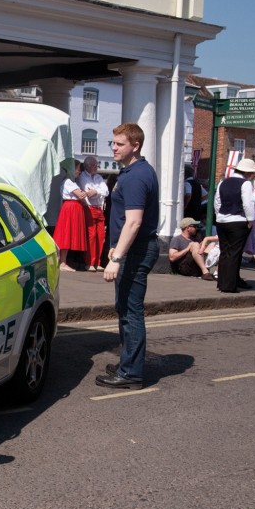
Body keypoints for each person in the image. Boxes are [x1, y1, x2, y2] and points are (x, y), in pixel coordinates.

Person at [96, 122, 159, 390]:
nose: (114, 148)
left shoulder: (134, 176)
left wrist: (117, 257)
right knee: (125, 310)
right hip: (132, 249)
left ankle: (131, 373)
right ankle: (127, 364)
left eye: (120, 144)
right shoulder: (136, 171)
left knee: (131, 313)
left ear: (136, 145)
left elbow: (134, 222)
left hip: (135, 252)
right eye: (113, 143)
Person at [213, 157, 255, 293]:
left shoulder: (223, 182)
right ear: (248, 173)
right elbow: (248, 204)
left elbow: (217, 202)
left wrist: (219, 216)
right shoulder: (245, 184)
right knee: (234, 254)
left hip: (221, 221)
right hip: (238, 221)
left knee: (224, 252)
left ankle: (222, 283)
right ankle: (229, 286)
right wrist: (250, 220)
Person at [52, 159, 89, 271]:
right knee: (66, 234)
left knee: (67, 234)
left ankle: (63, 261)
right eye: (77, 169)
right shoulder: (68, 182)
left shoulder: (70, 182)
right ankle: (62, 262)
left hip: (71, 208)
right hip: (70, 209)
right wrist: (90, 192)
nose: (79, 172)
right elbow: (81, 195)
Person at [78, 155, 109, 271]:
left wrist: (96, 191)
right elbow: (87, 192)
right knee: (91, 235)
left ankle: (97, 262)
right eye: (95, 165)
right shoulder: (82, 177)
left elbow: (105, 191)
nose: (97, 167)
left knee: (101, 235)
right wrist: (97, 192)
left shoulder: (99, 178)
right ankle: (89, 262)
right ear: (88, 166)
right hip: (89, 208)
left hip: (99, 208)